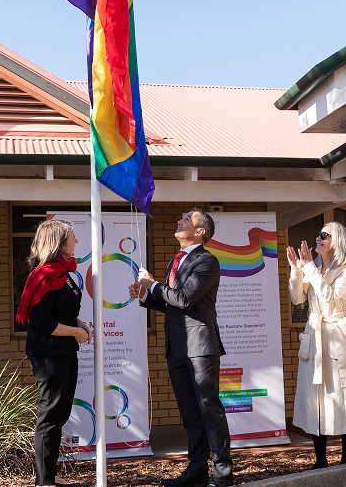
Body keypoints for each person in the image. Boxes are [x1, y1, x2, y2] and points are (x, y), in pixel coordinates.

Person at [129, 209, 233, 487]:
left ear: (201, 231)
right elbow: (171, 304)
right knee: (189, 414)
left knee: (209, 409)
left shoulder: (207, 261)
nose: (179, 220)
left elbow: (185, 299)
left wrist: (153, 285)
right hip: (177, 348)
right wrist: (146, 296)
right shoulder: (177, 260)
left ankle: (223, 473)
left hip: (200, 347)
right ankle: (196, 471)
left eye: (186, 219)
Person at [16, 218, 92, 487]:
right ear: (59, 243)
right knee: (50, 415)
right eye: (73, 237)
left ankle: (49, 476)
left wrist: (78, 324)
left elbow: (64, 312)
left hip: (64, 351)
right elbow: (44, 322)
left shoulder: (63, 271)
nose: (77, 242)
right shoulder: (45, 275)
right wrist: (75, 332)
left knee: (59, 414)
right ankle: (44, 482)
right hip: (49, 354)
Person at [287, 222, 346, 469]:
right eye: (318, 233)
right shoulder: (314, 267)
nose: (317, 238)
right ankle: (320, 460)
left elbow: (330, 298)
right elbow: (297, 298)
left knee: (343, 394)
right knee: (315, 398)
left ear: (336, 241)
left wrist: (309, 267)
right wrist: (297, 271)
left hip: (337, 335)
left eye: (323, 235)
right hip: (314, 337)